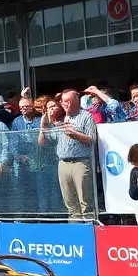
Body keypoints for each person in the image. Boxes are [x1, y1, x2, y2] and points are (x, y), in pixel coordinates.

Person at [40, 90, 97, 220]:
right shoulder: (61, 119)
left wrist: (75, 135)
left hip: (80, 162)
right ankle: (75, 228)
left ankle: (89, 227)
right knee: (69, 201)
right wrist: (44, 124)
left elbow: (92, 139)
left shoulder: (86, 116)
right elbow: (49, 139)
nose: (64, 104)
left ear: (76, 100)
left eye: (67, 101)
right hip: (63, 163)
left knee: (85, 200)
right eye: (63, 102)